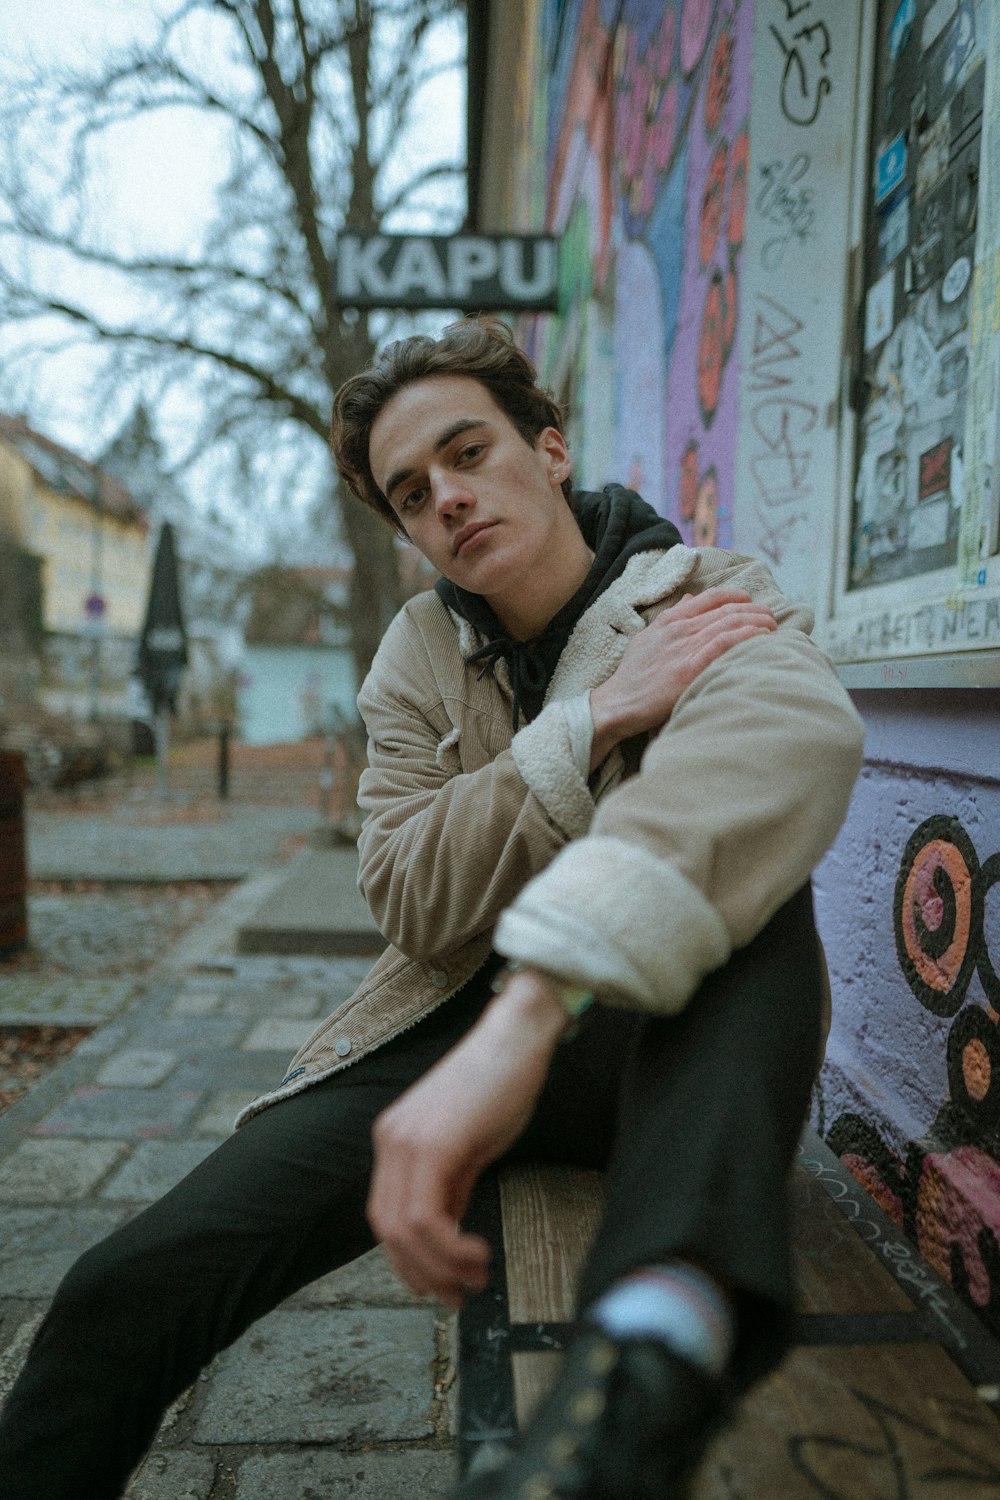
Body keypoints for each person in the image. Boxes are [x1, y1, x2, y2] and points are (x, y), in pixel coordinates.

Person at [0, 317, 863, 1499]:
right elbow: (407, 889)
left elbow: (791, 740)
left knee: (749, 889)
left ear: (550, 449)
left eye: (468, 453)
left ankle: (641, 1377)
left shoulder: (706, 596)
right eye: (412, 492)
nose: (446, 499)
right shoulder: (415, 655)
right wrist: (593, 723)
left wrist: (534, 1003)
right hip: (451, 1032)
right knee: (119, 1288)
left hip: (664, 1049)